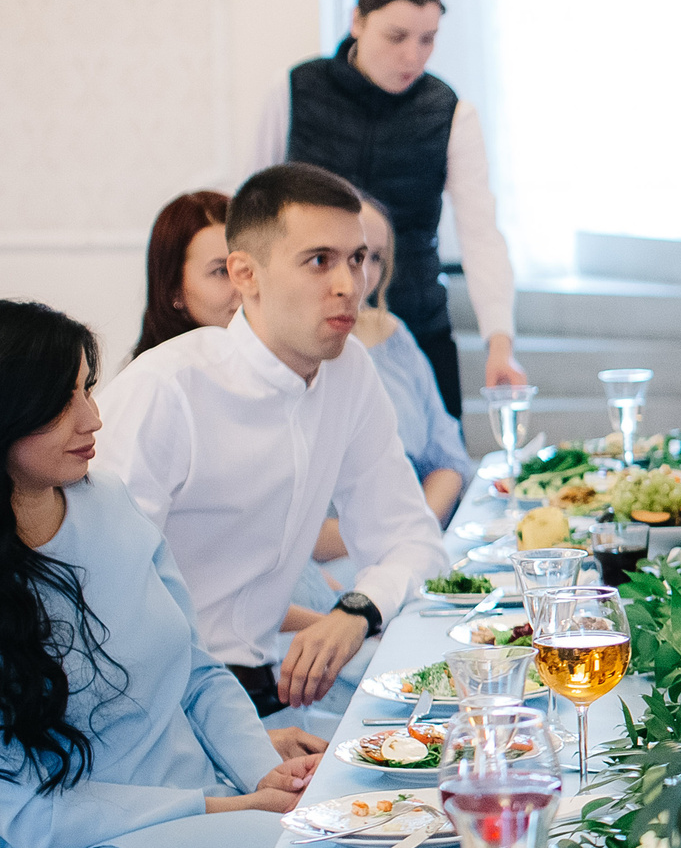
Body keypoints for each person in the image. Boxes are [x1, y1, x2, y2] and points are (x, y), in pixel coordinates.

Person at [0, 300, 308, 848]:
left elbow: (196, 672)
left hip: (202, 806)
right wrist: (230, 811)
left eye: (88, 390)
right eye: (62, 401)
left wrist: (269, 776)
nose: (94, 418)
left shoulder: (105, 503)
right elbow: (33, 815)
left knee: (344, 829)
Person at [94, 164, 446, 714]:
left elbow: (413, 539)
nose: (348, 285)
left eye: (356, 259)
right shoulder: (165, 388)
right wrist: (230, 739)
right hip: (161, 701)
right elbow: (106, 599)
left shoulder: (349, 370)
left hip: (266, 685)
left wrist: (356, 611)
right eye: (318, 261)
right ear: (245, 274)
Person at [253, 0, 524, 416]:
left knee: (439, 471)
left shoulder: (452, 112)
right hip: (306, 336)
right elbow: (250, 214)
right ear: (357, 21)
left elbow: (481, 234)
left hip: (415, 327)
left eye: (428, 40)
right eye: (396, 36)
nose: (412, 56)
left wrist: (499, 341)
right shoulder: (295, 90)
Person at [354, 198, 476, 524]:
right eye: (355, 256)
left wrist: (420, 529)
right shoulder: (300, 354)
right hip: (341, 559)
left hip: (416, 532)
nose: (365, 273)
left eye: (376, 257)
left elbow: (446, 456)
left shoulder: (393, 333)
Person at [133, 191, 237, 355]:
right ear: (175, 291)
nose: (244, 284)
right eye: (222, 271)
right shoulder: (157, 376)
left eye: (249, 267)